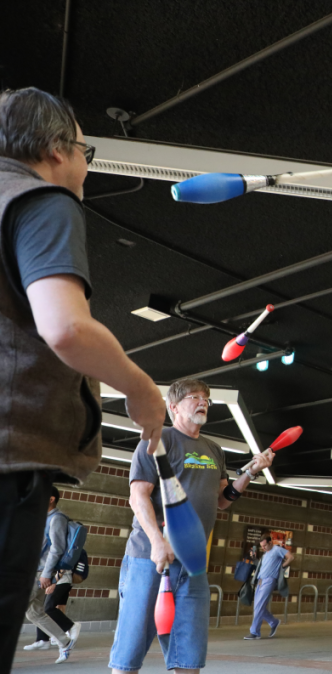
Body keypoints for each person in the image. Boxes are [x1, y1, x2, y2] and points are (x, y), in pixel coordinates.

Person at [0, 87, 165, 671]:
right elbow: (65, 328)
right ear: (53, 149)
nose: (85, 164)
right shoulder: (41, 198)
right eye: (83, 148)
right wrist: (142, 391)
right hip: (10, 458)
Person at [109, 378, 274, 673]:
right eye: (194, 397)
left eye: (206, 398)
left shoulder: (213, 449)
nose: (203, 402)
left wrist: (251, 472)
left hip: (193, 563)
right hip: (150, 557)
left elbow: (223, 500)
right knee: (131, 648)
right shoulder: (158, 441)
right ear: (173, 406)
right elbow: (138, 496)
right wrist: (158, 542)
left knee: (189, 651)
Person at [22, 487, 81, 663]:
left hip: (40, 573)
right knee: (34, 613)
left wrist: (47, 575)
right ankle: (64, 641)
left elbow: (57, 549)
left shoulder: (57, 518)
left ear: (51, 499)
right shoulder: (45, 518)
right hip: (35, 571)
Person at [246, 535, 293, 639]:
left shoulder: (277, 550)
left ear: (270, 543)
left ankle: (254, 632)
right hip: (260, 580)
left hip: (269, 580)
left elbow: (291, 557)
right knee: (258, 607)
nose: (263, 547)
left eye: (265, 545)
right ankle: (273, 622)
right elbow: (262, 566)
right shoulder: (265, 554)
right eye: (262, 546)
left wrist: (283, 566)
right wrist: (254, 558)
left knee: (259, 606)